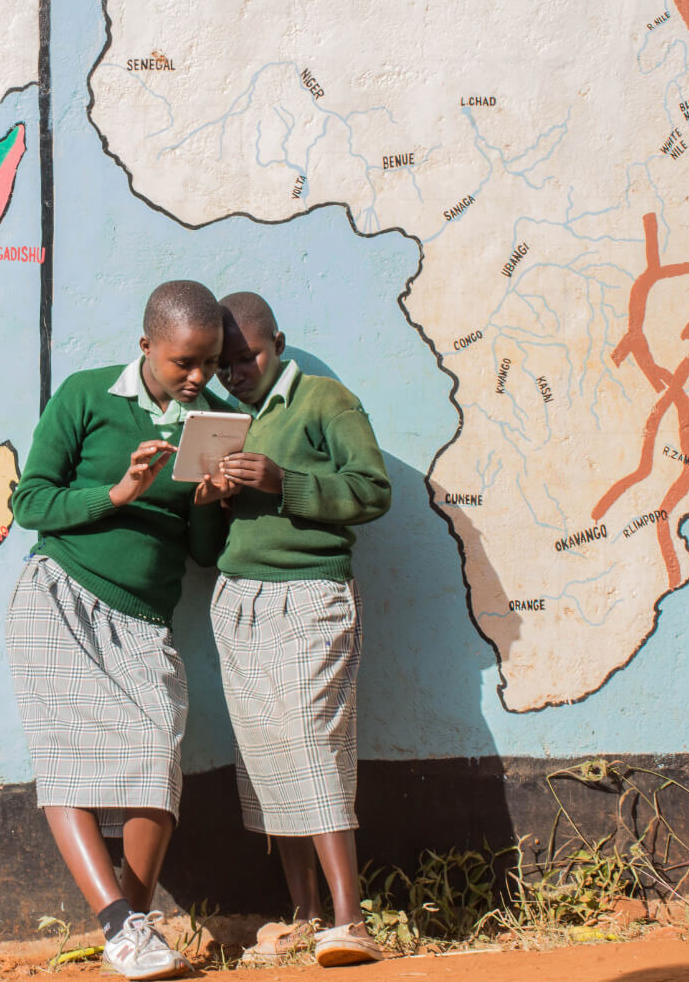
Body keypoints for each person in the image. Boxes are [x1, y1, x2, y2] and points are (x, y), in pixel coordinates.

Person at [4, 280, 232, 981]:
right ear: (145, 348)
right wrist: (118, 492)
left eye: (211, 363)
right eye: (183, 363)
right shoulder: (86, 395)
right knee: (66, 756)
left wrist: (208, 503)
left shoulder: (215, 421)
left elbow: (200, 552)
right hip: (61, 597)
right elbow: (29, 501)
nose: (198, 378)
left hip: (143, 617)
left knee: (156, 753)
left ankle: (130, 930)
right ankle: (121, 926)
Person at [209, 292, 391, 968]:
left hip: (312, 593)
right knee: (266, 755)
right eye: (224, 365)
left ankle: (352, 920)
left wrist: (284, 481)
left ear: (277, 341)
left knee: (313, 742)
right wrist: (210, 501)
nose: (236, 373)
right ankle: (305, 917)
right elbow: (210, 544)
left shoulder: (324, 400)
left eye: (247, 356)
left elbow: (372, 491)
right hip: (239, 599)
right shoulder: (222, 420)